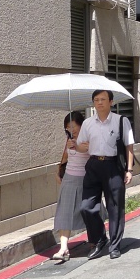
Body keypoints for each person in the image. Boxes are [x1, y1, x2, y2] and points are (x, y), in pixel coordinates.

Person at [72, 89, 135, 260]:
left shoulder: (121, 121)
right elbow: (81, 146)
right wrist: (76, 145)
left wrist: (129, 170)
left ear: (111, 102)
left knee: (115, 207)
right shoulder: (87, 123)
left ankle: (115, 246)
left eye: (103, 99)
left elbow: (129, 146)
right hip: (93, 165)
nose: (99, 102)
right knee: (86, 207)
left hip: (113, 166)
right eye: (96, 100)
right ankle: (99, 238)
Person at [53, 111, 88, 262]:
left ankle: (97, 238)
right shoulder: (69, 139)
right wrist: (58, 171)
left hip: (85, 179)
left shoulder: (87, 137)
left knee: (89, 211)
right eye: (68, 127)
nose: (71, 130)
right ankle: (63, 248)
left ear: (81, 124)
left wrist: (76, 146)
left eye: (74, 126)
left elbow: (88, 151)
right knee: (64, 212)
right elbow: (65, 156)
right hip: (69, 178)